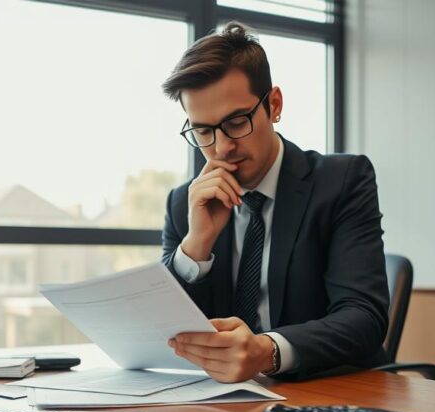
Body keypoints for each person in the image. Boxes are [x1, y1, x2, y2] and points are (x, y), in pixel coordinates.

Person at [161, 22, 389, 383]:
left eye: (236, 122)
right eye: (202, 131)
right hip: (223, 404)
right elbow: (163, 331)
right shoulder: (183, 204)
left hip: (330, 392)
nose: (221, 148)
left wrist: (266, 352)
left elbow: (364, 317)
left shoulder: (342, 181)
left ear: (274, 105)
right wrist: (196, 247)